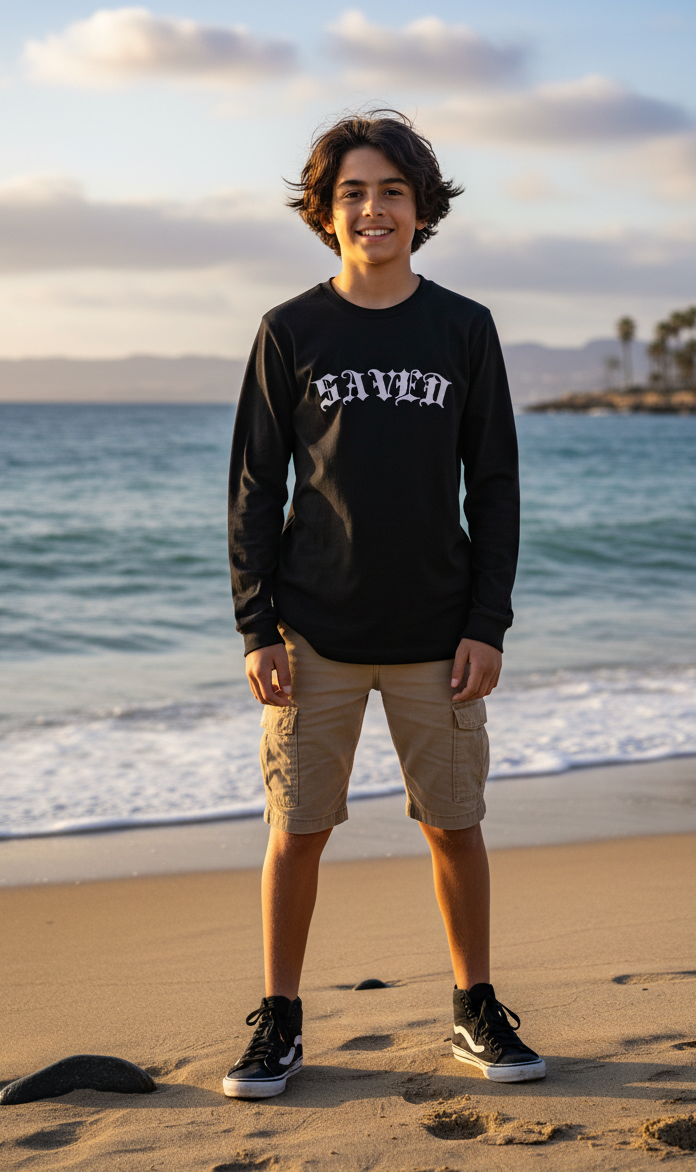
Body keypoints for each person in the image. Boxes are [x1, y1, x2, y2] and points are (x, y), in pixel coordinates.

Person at [224, 109, 544, 1099]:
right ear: (325, 210)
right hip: (311, 631)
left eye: (392, 191)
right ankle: (278, 1019)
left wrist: (485, 623)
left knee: (452, 824)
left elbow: (492, 485)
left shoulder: (462, 329)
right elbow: (253, 489)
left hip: (434, 635)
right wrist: (256, 627)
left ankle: (474, 1008)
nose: (374, 208)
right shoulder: (290, 330)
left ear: (420, 208)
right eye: (353, 192)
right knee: (298, 828)